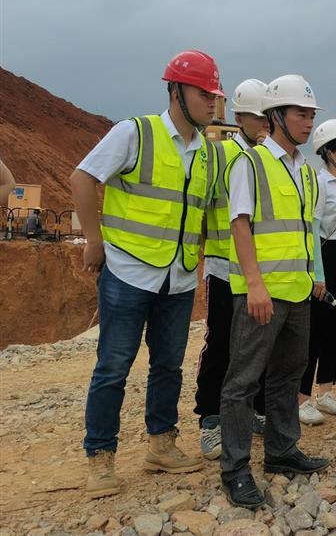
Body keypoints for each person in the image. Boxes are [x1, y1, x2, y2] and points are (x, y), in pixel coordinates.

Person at [71, 49, 221, 499]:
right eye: (204, 93)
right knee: (113, 367)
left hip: (179, 277)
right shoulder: (135, 133)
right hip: (127, 272)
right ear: (176, 91)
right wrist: (94, 240)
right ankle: (100, 458)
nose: (212, 102)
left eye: (215, 94)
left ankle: (161, 445)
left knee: (169, 366)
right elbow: (82, 179)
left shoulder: (208, 153)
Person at [218, 74, 330, 508]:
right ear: (277, 115)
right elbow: (240, 224)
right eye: (302, 114)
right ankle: (235, 469)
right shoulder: (250, 162)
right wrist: (254, 286)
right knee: (243, 381)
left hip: (297, 291)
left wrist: (313, 277)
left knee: (287, 374)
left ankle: (282, 450)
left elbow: (306, 230)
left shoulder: (306, 171)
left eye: (312, 114)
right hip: (261, 294)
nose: (309, 122)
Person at [194, 79, 270, 460]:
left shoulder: (268, 157)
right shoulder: (220, 154)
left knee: (257, 346)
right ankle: (210, 419)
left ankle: (253, 410)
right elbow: (202, 205)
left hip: (260, 270)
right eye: (259, 117)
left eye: (268, 116)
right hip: (224, 268)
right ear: (240, 118)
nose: (265, 123)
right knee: (221, 343)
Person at [298, 119, 336, 425]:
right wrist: (317, 274)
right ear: (329, 152)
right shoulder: (320, 184)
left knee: (335, 327)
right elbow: (314, 228)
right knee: (316, 330)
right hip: (327, 257)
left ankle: (326, 391)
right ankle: (302, 398)